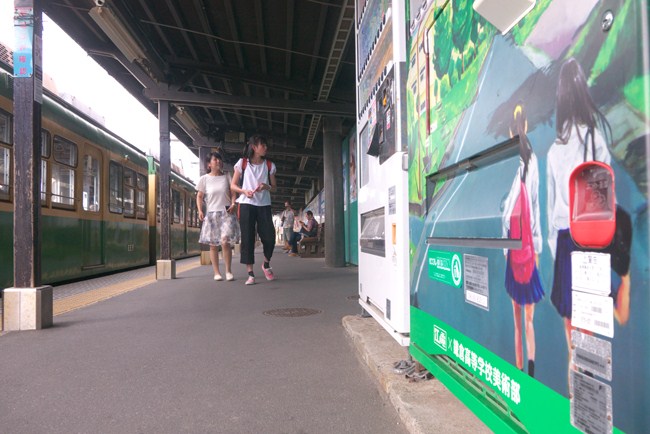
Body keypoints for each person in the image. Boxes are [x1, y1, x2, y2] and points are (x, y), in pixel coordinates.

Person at [547, 57, 614, 388]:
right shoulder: (596, 140)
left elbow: (551, 214)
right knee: (591, 326)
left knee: (570, 327)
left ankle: (575, 389)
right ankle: (590, 387)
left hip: (565, 241)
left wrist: (557, 251)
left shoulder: (554, 150)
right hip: (593, 240)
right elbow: (608, 199)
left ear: (561, 97)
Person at [501, 103, 543, 378]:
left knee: (516, 317)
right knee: (529, 318)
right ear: (526, 125)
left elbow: (505, 213)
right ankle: (530, 372)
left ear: (509, 131)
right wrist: (537, 247)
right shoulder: (533, 161)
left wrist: (505, 249)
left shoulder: (507, 163)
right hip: (528, 245)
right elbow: (535, 208)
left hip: (512, 245)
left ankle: (518, 371)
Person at [230, 135, 277, 285]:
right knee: (247, 238)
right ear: (254, 147)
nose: (266, 148)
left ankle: (266, 264)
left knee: (269, 237)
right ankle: (250, 274)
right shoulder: (242, 163)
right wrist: (244, 191)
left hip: (264, 205)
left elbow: (274, 188)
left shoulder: (269, 165)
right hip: (246, 204)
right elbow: (233, 185)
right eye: (263, 145)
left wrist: (266, 186)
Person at [196, 152, 240, 282]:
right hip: (211, 214)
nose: (218, 161)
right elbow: (199, 196)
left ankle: (228, 271)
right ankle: (216, 272)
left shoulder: (227, 176)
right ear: (209, 164)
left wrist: (233, 203)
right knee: (213, 245)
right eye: (215, 160)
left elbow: (233, 193)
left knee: (225, 241)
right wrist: (200, 210)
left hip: (226, 212)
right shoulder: (204, 179)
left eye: (219, 159)